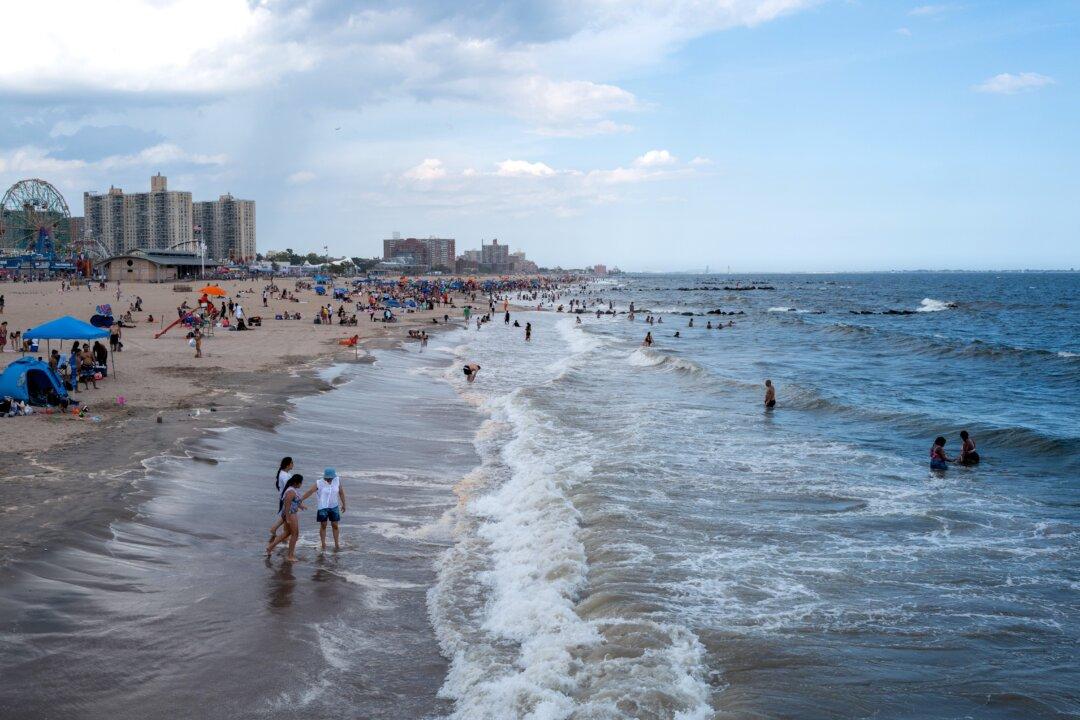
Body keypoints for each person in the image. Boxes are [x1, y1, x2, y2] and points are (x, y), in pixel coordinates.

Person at [266, 474, 307, 561]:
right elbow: (287, 505)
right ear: (296, 483)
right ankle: (290, 556)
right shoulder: (290, 491)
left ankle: (270, 547)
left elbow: (294, 502)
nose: (301, 484)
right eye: (301, 482)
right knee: (295, 534)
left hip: (291, 513)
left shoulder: (293, 490)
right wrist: (287, 518)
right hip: (290, 514)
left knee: (287, 533)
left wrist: (301, 506)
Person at [315, 468, 346, 551]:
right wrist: (300, 500)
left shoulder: (337, 480)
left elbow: (341, 492)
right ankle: (323, 544)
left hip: (334, 506)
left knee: (335, 525)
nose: (330, 479)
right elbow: (309, 492)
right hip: (323, 507)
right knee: (323, 525)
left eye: (331, 477)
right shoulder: (319, 483)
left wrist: (344, 504)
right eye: (328, 477)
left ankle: (336, 544)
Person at [268, 457, 295, 543]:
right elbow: (289, 489)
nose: (293, 464)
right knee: (287, 517)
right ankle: (284, 535)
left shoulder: (286, 474)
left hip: (284, 498)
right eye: (292, 463)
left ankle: (276, 530)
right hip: (286, 499)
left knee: (285, 517)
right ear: (287, 465)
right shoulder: (285, 476)